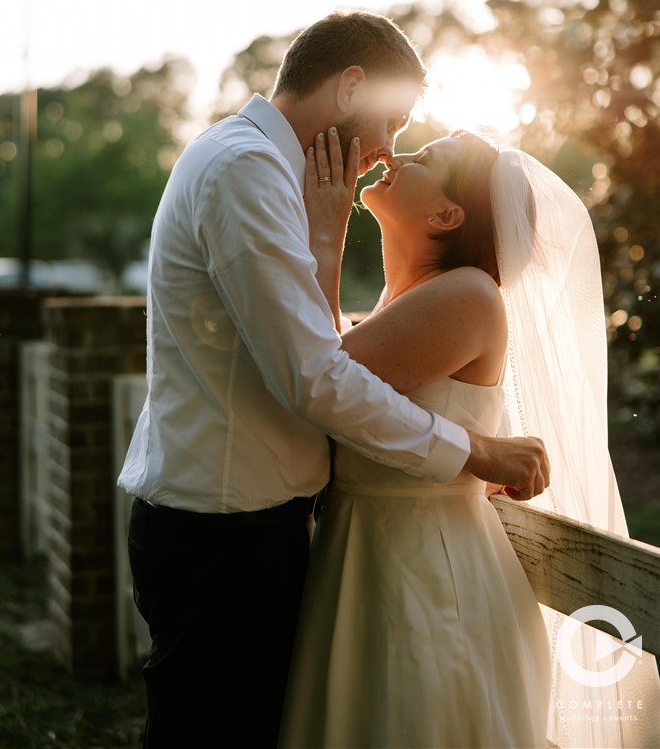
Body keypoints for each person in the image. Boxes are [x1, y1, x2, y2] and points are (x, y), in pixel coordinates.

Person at [117, 10, 550, 749]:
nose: (388, 149)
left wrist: (325, 235)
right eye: (392, 119)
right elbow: (316, 378)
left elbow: (317, 357)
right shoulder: (246, 170)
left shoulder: (258, 166)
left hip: (272, 533)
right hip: (224, 534)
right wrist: (477, 452)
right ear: (349, 87)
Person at [279, 130, 660, 748]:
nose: (399, 157)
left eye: (425, 159)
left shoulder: (468, 295)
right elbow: (330, 367)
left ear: (446, 215)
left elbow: (324, 379)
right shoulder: (407, 301)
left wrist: (327, 228)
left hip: (426, 578)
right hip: (375, 555)